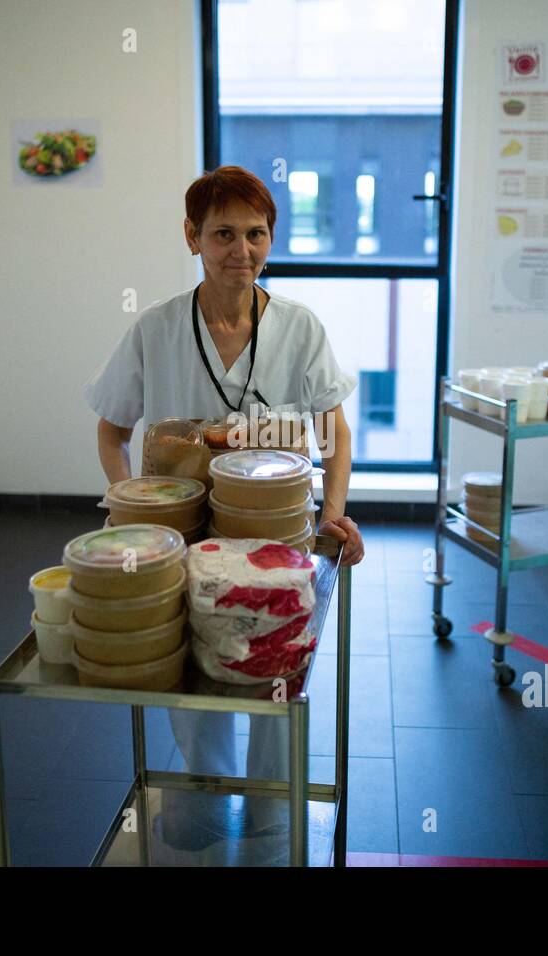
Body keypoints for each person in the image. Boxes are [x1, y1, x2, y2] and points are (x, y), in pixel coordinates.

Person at [83, 165, 365, 849]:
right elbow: (112, 428)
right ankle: (204, 804)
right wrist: (133, 505)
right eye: (223, 234)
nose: (242, 250)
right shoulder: (156, 329)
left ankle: (270, 812)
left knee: (276, 675)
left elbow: (334, 430)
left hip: (281, 543)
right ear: (192, 238)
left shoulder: (299, 328)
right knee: (198, 675)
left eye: (256, 233)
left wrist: (333, 510)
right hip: (189, 542)